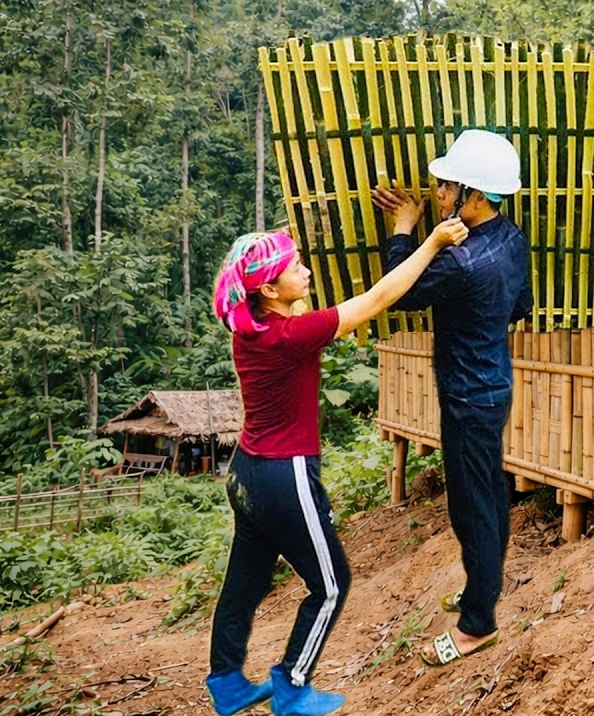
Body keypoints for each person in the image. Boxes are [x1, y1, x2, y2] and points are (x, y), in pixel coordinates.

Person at [204, 188, 467, 716]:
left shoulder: (251, 331)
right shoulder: (292, 335)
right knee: (330, 585)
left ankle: (228, 683)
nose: (304, 271)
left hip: (246, 474)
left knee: (245, 580)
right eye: (293, 267)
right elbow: (378, 299)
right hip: (285, 475)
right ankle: (293, 686)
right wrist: (432, 240)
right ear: (270, 289)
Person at [379, 129, 532, 667]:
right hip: (493, 385)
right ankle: (480, 592)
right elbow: (521, 307)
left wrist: (404, 231)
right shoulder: (512, 240)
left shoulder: (461, 263)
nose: (437, 195)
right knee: (486, 495)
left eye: (445, 186)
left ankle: (477, 624)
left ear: (473, 196)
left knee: (474, 506)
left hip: (468, 396)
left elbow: (399, 290)